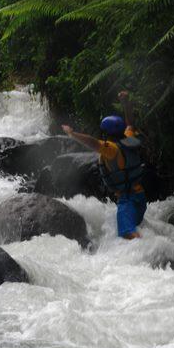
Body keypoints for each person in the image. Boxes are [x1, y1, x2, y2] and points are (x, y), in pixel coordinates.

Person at [62, 91, 146, 240]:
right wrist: (125, 103)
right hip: (140, 197)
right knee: (133, 230)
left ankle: (150, 255)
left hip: (127, 200)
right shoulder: (128, 136)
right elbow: (131, 123)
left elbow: (92, 142)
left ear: (107, 134)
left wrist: (72, 133)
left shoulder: (111, 149)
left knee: (128, 234)